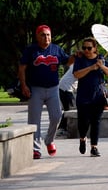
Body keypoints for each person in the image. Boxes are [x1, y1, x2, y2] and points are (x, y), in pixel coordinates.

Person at [18, 25, 75, 159]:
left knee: (57, 116)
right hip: (36, 89)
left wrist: (76, 56)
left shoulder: (56, 49)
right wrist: (24, 85)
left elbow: (68, 61)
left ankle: (49, 140)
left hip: (53, 89)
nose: (46, 37)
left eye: (48, 35)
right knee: (34, 120)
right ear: (37, 36)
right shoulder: (31, 50)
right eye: (43, 35)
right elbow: (22, 68)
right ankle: (35, 149)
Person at [73, 37, 108, 157]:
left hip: (98, 96)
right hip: (83, 96)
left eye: (89, 48)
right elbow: (76, 74)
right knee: (83, 122)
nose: (86, 50)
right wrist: (91, 68)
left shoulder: (101, 59)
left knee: (96, 122)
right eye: (84, 48)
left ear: (95, 48)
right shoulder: (80, 60)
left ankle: (94, 147)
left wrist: (101, 66)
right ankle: (82, 138)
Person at [57, 64, 78, 136]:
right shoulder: (80, 64)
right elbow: (78, 75)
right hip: (66, 88)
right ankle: (62, 129)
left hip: (64, 87)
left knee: (68, 109)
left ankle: (62, 128)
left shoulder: (78, 63)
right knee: (71, 109)